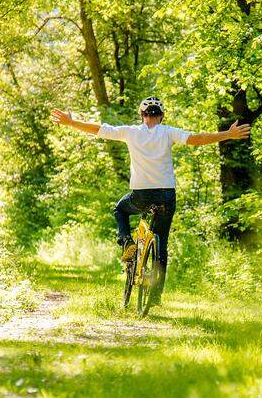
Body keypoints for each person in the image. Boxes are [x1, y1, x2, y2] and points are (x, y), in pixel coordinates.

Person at [50, 96, 251, 304]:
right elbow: (196, 139)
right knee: (161, 244)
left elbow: (101, 129)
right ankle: (155, 297)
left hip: (141, 195)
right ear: (162, 116)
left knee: (120, 210)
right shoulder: (168, 132)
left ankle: (127, 241)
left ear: (142, 115)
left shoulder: (131, 132)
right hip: (166, 195)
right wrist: (228, 134)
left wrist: (70, 122)